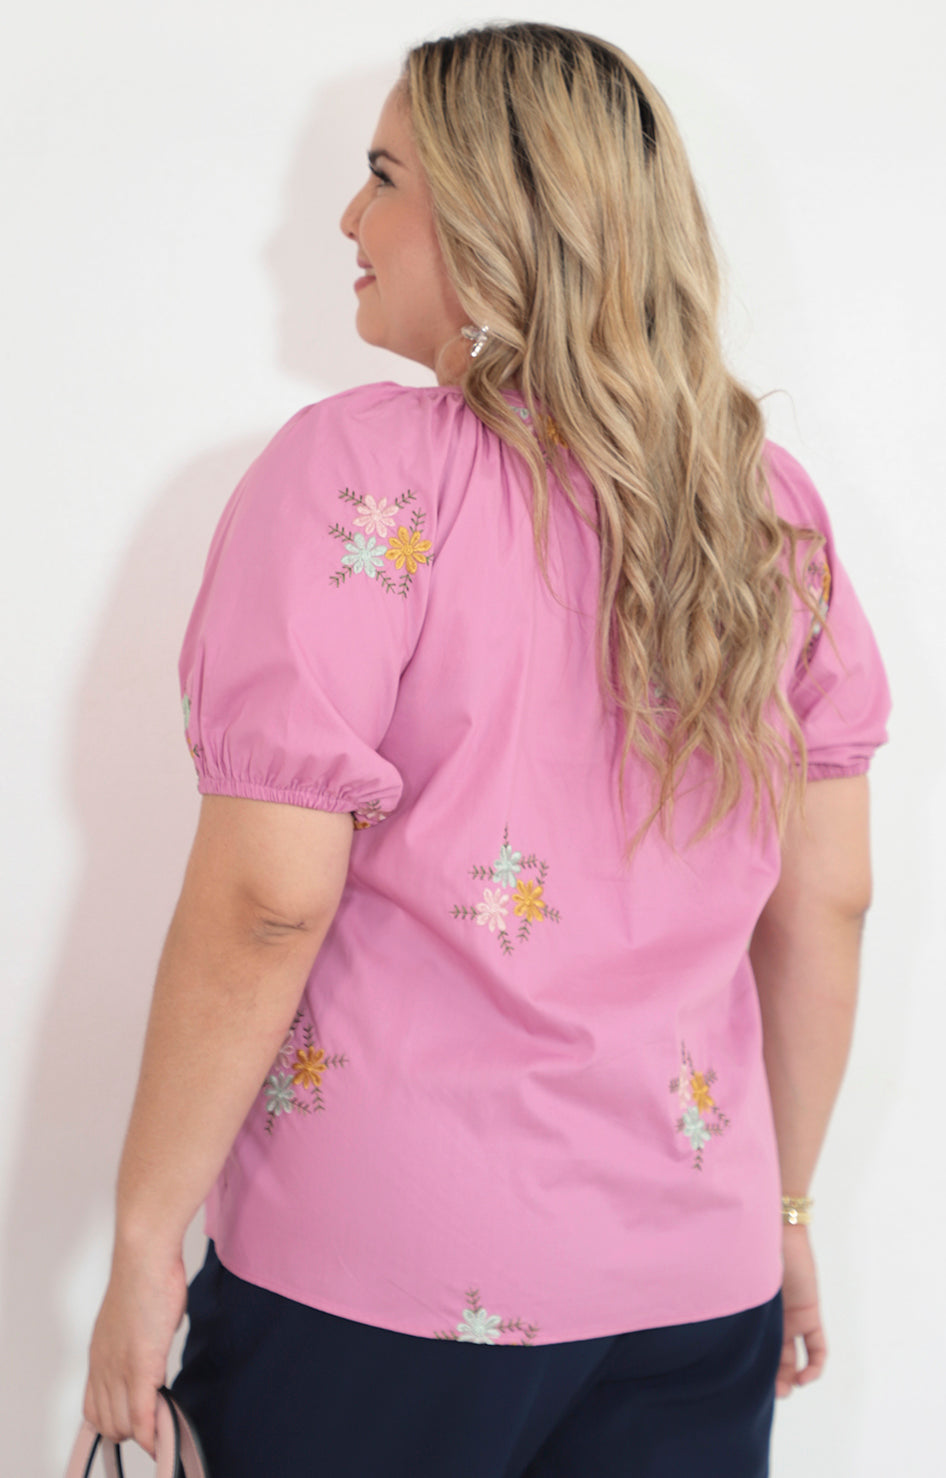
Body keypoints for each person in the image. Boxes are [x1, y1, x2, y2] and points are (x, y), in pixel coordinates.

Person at [80, 21, 892, 1477]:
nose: (348, 217)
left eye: (385, 175)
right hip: (692, 1280)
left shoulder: (362, 475)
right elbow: (827, 900)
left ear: (498, 218)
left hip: (380, 1281)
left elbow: (268, 898)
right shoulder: (766, 512)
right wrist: (782, 1212)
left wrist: (146, 1235)